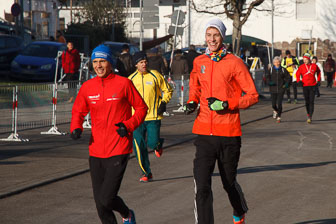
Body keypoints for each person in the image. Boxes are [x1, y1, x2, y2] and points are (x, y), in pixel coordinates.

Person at [183, 18, 259, 224]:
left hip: (228, 133)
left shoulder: (234, 62)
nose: (212, 39)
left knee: (228, 182)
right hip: (204, 133)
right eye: (208, 35)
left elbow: (253, 95)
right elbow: (195, 86)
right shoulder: (199, 62)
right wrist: (191, 102)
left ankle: (239, 209)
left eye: (215, 35)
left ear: (222, 37)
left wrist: (227, 104)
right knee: (202, 186)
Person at [70, 44, 148, 224]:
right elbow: (78, 110)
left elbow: (142, 108)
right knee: (100, 205)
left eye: (102, 61)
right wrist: (76, 127)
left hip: (118, 147)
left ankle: (127, 214)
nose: (98, 65)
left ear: (110, 63)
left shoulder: (123, 83)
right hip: (96, 150)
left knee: (106, 198)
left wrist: (128, 126)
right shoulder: (88, 87)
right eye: (95, 62)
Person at [129, 51, 173, 182]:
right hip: (136, 119)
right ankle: (146, 173)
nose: (144, 64)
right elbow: (125, 98)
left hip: (153, 116)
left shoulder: (155, 75)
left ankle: (158, 145)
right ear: (136, 64)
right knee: (139, 147)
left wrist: (164, 103)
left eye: (145, 61)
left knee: (152, 143)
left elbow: (168, 90)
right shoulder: (130, 79)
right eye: (141, 62)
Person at [296, 53, 321, 124]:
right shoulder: (301, 67)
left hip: (313, 85)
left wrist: (318, 80)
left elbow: (319, 72)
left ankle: (310, 116)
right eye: (303, 60)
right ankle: (308, 113)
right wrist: (298, 81)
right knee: (307, 101)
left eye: (306, 60)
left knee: (311, 101)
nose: (304, 61)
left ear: (309, 59)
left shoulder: (314, 66)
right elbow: (297, 74)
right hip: (305, 86)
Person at [267, 56, 290, 123]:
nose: (277, 63)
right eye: (275, 62)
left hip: (281, 89)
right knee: (273, 104)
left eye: (278, 62)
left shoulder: (283, 69)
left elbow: (288, 77)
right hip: (273, 89)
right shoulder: (271, 69)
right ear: (273, 63)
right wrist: (269, 82)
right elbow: (267, 77)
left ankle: (279, 117)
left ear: (280, 62)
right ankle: (276, 110)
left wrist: (286, 84)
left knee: (279, 104)